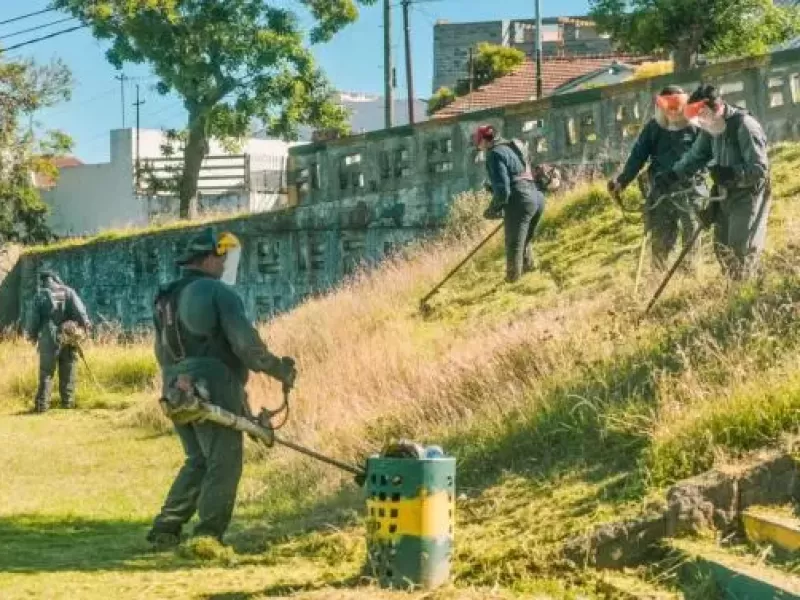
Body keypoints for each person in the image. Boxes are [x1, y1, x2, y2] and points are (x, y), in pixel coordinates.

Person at [147, 227, 297, 548]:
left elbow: (161, 351)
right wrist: (279, 370)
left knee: (198, 459)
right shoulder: (217, 293)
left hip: (173, 383)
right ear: (210, 257)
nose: (226, 263)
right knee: (224, 461)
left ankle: (166, 527)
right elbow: (247, 346)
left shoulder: (165, 297)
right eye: (223, 256)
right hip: (212, 380)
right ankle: (207, 537)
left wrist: (181, 381)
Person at [655, 84, 771, 280]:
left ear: (714, 109)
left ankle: (748, 296)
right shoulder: (711, 128)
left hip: (748, 194)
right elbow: (695, 156)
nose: (699, 124)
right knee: (722, 248)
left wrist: (731, 173)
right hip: (724, 194)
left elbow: (760, 169)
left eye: (700, 118)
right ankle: (733, 293)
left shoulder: (745, 126)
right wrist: (673, 175)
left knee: (740, 249)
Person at [608, 85, 708, 270]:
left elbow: (710, 154)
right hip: (661, 191)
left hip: (691, 189)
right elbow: (637, 157)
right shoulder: (653, 128)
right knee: (661, 238)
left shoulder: (696, 126)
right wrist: (622, 181)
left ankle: (691, 277)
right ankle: (658, 276)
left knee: (691, 235)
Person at [474, 124, 547, 283]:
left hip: (520, 199)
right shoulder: (512, 146)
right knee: (524, 240)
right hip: (536, 197)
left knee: (513, 245)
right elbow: (518, 175)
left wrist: (493, 209)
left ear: (484, 142)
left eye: (479, 145)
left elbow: (503, 191)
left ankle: (512, 283)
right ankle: (530, 273)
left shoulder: (493, 154)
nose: (480, 149)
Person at [26, 270, 92, 413]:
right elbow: (80, 312)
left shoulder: (40, 296)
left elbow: (33, 319)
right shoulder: (68, 292)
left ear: (43, 280)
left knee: (46, 372)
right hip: (68, 334)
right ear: (55, 278)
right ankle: (67, 403)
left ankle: (42, 406)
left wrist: (31, 336)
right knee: (68, 369)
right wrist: (84, 326)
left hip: (48, 337)